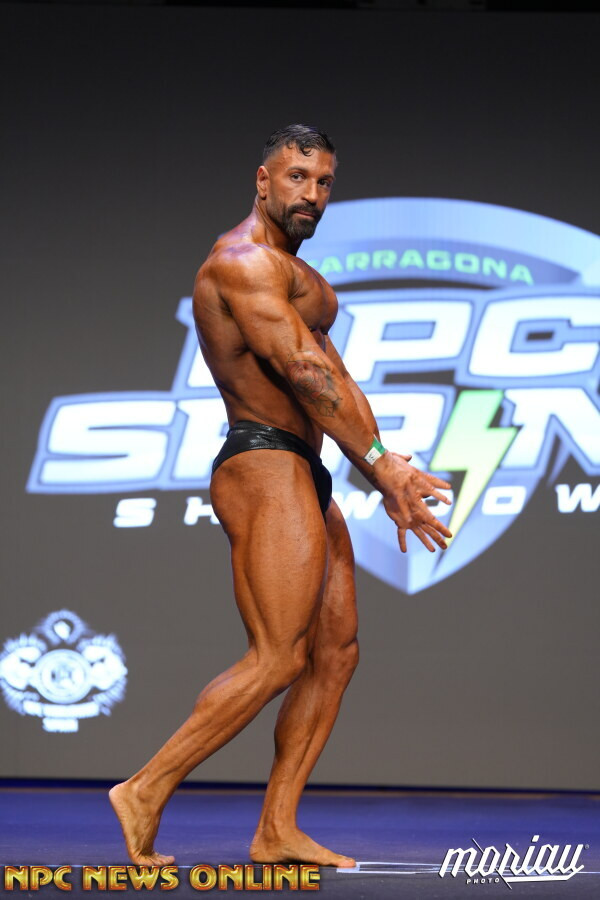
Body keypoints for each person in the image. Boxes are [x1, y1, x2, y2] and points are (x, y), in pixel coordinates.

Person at [109, 124, 452, 868]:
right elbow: (302, 370)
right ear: (262, 181)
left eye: (324, 181)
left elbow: (338, 381)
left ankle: (276, 829)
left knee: (335, 652)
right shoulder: (242, 264)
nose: (312, 194)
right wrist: (381, 465)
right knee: (276, 657)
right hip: (263, 462)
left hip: (304, 467)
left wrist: (384, 471)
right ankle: (144, 788)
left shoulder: (299, 275)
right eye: (297, 177)